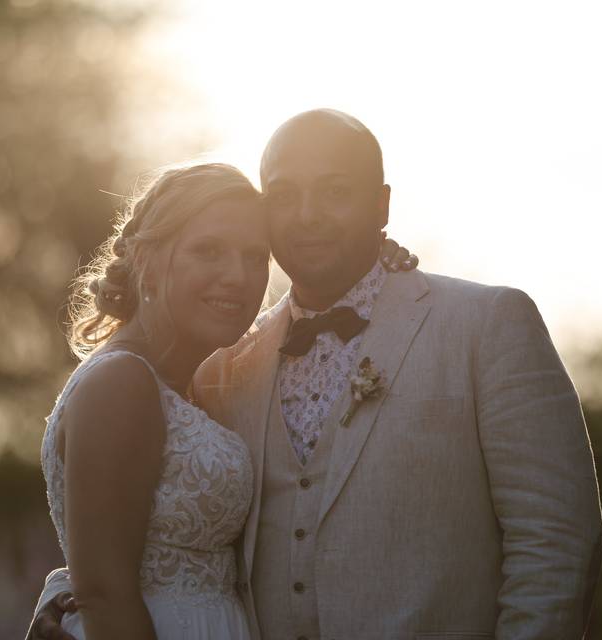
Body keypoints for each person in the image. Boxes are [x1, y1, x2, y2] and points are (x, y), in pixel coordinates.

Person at [30, 110, 602, 640]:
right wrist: (75, 593)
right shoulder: (227, 366)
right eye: (284, 195)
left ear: (381, 205)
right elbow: (139, 536)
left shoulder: (488, 326)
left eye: (335, 192)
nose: (307, 216)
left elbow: (555, 544)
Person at [32, 161, 414, 640]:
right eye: (208, 251)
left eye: (255, 257)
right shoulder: (121, 383)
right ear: (147, 259)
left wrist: (371, 268)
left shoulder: (194, 381)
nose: (237, 276)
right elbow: (107, 593)